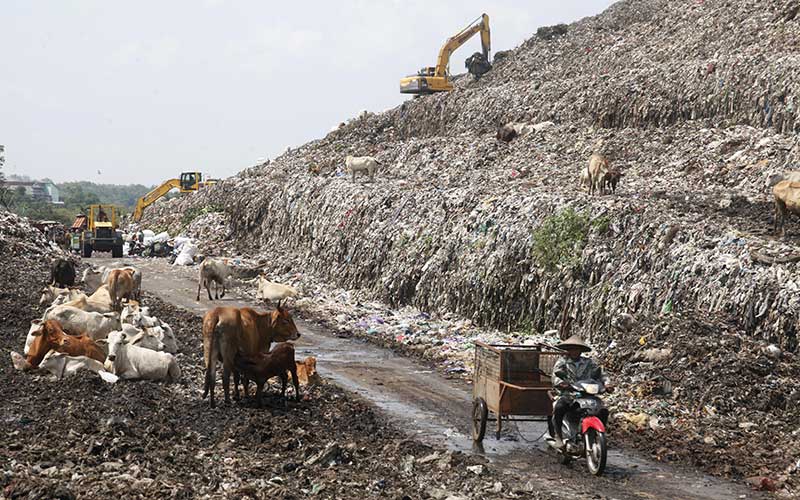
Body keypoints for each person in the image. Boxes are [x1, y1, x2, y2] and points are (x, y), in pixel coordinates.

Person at [550, 334, 613, 450]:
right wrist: (562, 383)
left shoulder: (589, 362)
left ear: (581, 350)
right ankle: (558, 436)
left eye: (577, 349)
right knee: (559, 407)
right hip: (569, 394)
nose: (574, 351)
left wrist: (607, 384)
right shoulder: (562, 362)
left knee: (603, 411)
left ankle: (599, 436)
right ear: (568, 350)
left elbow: (602, 374)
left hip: (587, 394)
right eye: (572, 349)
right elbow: (555, 376)